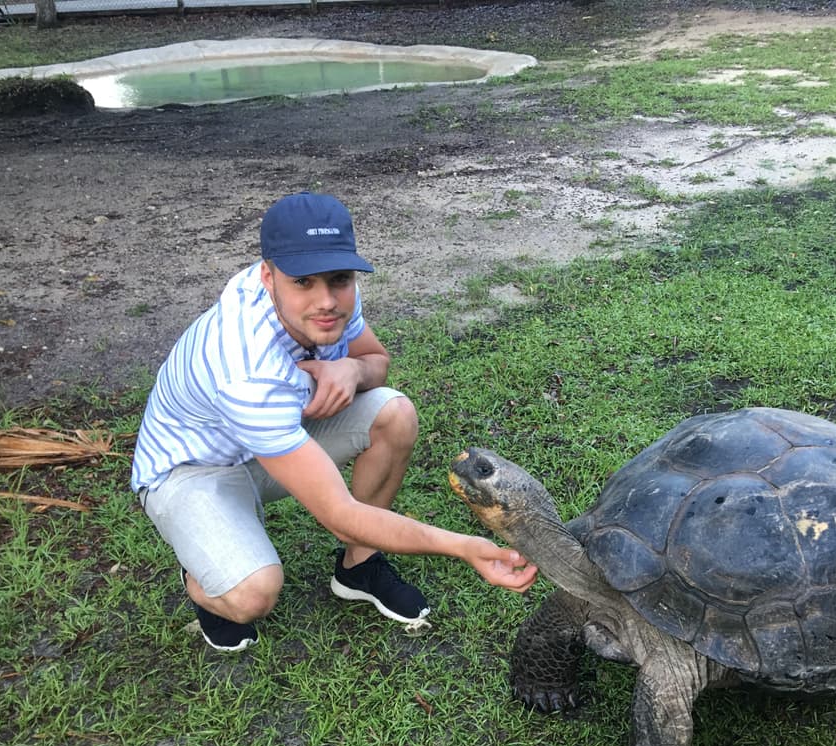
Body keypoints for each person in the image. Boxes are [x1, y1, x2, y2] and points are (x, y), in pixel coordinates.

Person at [130, 192, 537, 652]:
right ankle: (205, 575)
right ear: (268, 276)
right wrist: (465, 547)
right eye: (303, 281)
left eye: (339, 278)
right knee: (252, 593)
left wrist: (351, 369)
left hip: (269, 446)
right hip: (192, 469)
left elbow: (376, 361)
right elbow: (342, 516)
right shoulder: (243, 364)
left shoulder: (329, 298)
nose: (326, 301)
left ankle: (359, 568)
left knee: (394, 413)